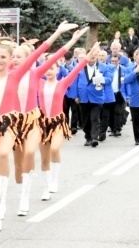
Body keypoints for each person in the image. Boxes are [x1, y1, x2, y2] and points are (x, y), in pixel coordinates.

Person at [0, 22, 84, 231]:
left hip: (19, 122)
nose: (6, 59)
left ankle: (13, 201)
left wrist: (61, 34)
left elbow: (46, 52)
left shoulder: (26, 73)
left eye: (12, 57)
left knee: (16, 154)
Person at [36, 44, 100, 201]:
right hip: (42, 123)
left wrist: (90, 53)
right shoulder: (39, 82)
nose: (49, 71)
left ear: (58, 70)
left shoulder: (62, 83)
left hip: (58, 122)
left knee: (54, 149)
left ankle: (55, 179)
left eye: (52, 68)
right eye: (47, 69)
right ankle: (46, 187)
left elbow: (78, 68)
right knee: (44, 156)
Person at [75, 40, 113, 148]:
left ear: (96, 57)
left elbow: (110, 79)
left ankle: (94, 138)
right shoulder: (80, 67)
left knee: (95, 118)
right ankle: (88, 137)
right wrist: (76, 96)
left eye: (93, 57)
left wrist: (102, 79)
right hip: (83, 97)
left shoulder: (103, 67)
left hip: (97, 97)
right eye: (90, 57)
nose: (91, 59)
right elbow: (75, 82)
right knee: (85, 120)